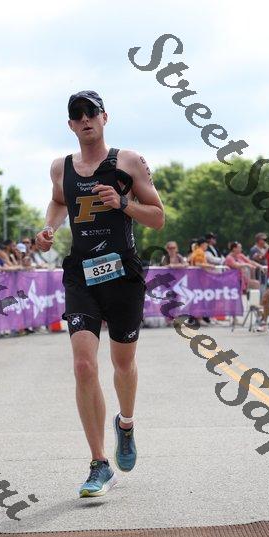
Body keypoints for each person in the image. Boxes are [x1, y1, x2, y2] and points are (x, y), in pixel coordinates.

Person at [35, 90, 164, 498]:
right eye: (77, 115)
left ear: (104, 117)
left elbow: (158, 217)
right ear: (70, 125)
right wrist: (49, 228)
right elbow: (58, 202)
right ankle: (99, 464)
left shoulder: (128, 162)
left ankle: (125, 423)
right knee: (83, 365)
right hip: (81, 275)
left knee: (122, 364)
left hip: (123, 273)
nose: (85, 119)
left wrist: (123, 203)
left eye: (91, 112)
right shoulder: (60, 167)